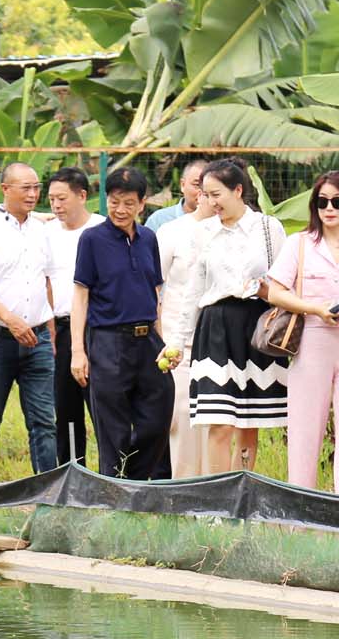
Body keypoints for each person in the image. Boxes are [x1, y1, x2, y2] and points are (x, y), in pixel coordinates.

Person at [187, 158, 333, 474]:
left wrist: (266, 290)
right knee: (219, 421)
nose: (211, 202)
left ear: (238, 190)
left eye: (216, 194)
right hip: (215, 327)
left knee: (248, 421)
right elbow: (194, 289)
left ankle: (242, 490)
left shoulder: (268, 227)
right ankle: (218, 495)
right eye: (207, 195)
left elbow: (284, 279)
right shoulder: (202, 232)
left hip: (256, 324)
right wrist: (180, 340)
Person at [267, 170, 339, 497]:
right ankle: (301, 507)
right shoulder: (299, 244)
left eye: (337, 202)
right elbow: (275, 292)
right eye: (322, 201)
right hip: (311, 342)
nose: (329, 208)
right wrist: (315, 308)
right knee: (305, 428)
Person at [71, 166, 171, 479]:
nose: (120, 209)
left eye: (128, 203)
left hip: (149, 342)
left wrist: (163, 341)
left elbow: (154, 294)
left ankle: (135, 481)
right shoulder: (92, 239)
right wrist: (78, 351)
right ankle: (113, 490)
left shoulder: (148, 239)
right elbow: (80, 296)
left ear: (142, 203)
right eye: (114, 202)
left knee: (157, 417)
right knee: (112, 427)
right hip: (108, 342)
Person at [0, 162, 58, 480]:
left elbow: (46, 281)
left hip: (38, 339)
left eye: (36, 187)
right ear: (5, 189)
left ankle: (47, 488)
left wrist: (50, 331)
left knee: (44, 420)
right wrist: (10, 319)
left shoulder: (41, 230)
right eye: (25, 188)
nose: (33, 194)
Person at [155, 185, 216, 478]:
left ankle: (213, 486)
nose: (212, 200)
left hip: (218, 340)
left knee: (214, 421)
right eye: (208, 193)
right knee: (180, 417)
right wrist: (161, 338)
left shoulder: (233, 233)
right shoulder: (171, 231)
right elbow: (154, 287)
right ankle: (183, 489)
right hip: (177, 341)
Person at [44, 166, 103, 467]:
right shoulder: (46, 233)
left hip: (99, 329)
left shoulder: (102, 230)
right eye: (51, 199)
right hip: (62, 329)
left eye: (62, 198)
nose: (56, 206)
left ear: (82, 196)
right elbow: (45, 281)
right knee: (66, 407)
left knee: (102, 405)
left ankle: (112, 472)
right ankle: (71, 471)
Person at [147, 158, 207, 232]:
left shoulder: (218, 221)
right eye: (197, 185)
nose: (202, 192)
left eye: (207, 186)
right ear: (183, 185)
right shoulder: (159, 220)